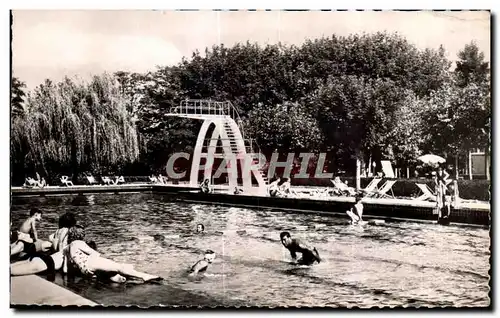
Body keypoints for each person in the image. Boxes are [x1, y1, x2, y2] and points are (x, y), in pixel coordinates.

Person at [64, 226, 162, 283]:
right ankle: (144, 276)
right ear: (81, 235)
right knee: (119, 267)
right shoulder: (78, 242)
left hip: (84, 270)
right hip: (90, 262)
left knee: (108, 270)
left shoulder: (67, 248)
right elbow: (94, 253)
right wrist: (105, 261)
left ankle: (116, 277)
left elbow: (65, 268)